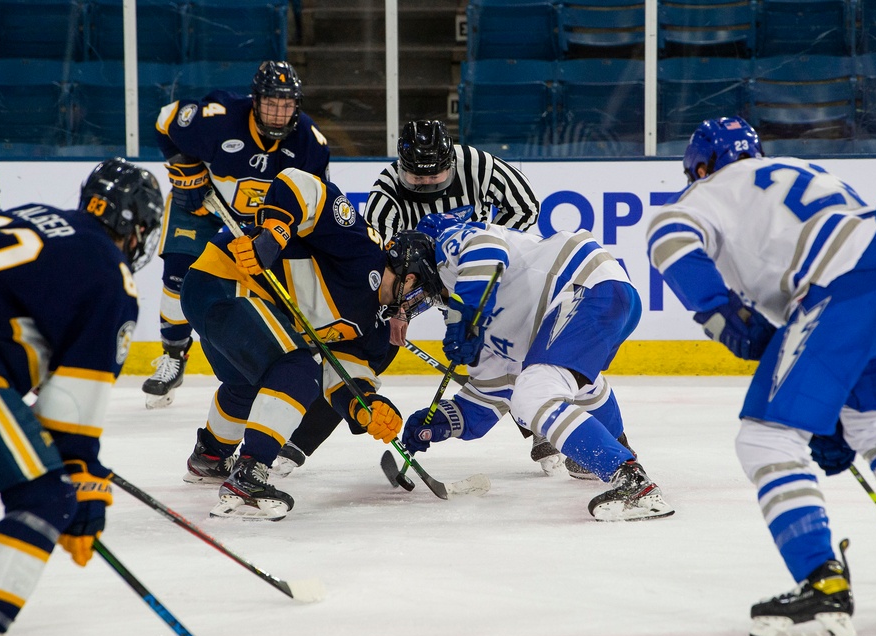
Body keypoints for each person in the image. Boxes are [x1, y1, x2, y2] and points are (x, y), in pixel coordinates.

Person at [646, 116, 876, 636]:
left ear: (700, 166)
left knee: (766, 437)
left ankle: (824, 588)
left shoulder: (704, 194)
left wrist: (721, 315)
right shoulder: (801, 169)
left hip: (847, 285)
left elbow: (668, 239)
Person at [0, 154, 163, 636]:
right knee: (45, 496)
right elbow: (72, 407)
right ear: (136, 224)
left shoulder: (31, 214)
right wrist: (82, 478)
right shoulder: (110, 274)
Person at [385, 225, 674, 522]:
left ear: (412, 272)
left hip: (584, 286)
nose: (402, 303)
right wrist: (440, 422)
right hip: (593, 299)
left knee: (534, 395)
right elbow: (493, 392)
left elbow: (486, 250)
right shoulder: (465, 314)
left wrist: (465, 317)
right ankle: (614, 448)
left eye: (397, 287)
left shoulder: (447, 249)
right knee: (563, 383)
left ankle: (634, 485)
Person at [179, 168, 401, 520]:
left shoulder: (378, 330)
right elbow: (300, 183)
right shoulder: (364, 249)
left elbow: (342, 373)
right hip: (227, 278)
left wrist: (364, 404)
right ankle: (250, 473)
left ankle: (211, 455)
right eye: (419, 290)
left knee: (248, 384)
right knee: (297, 368)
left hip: (227, 302)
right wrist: (273, 235)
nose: (414, 304)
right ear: (408, 265)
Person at [365, 119, 584, 477]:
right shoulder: (385, 194)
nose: (426, 185)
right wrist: (398, 309)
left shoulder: (479, 165)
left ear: (450, 162)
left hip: (483, 268)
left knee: (518, 342)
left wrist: (498, 249)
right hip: (425, 277)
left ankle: (544, 428)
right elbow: (384, 260)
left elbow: (526, 205)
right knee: (487, 351)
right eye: (417, 179)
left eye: (435, 177)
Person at [145, 60, 330, 409]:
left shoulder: (310, 143)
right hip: (204, 207)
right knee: (177, 277)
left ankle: (266, 362)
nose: (278, 113)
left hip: (261, 225)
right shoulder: (219, 118)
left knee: (271, 291)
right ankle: (174, 355)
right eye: (271, 104)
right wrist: (183, 167)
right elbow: (165, 121)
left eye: (286, 105)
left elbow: (316, 199)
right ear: (255, 100)